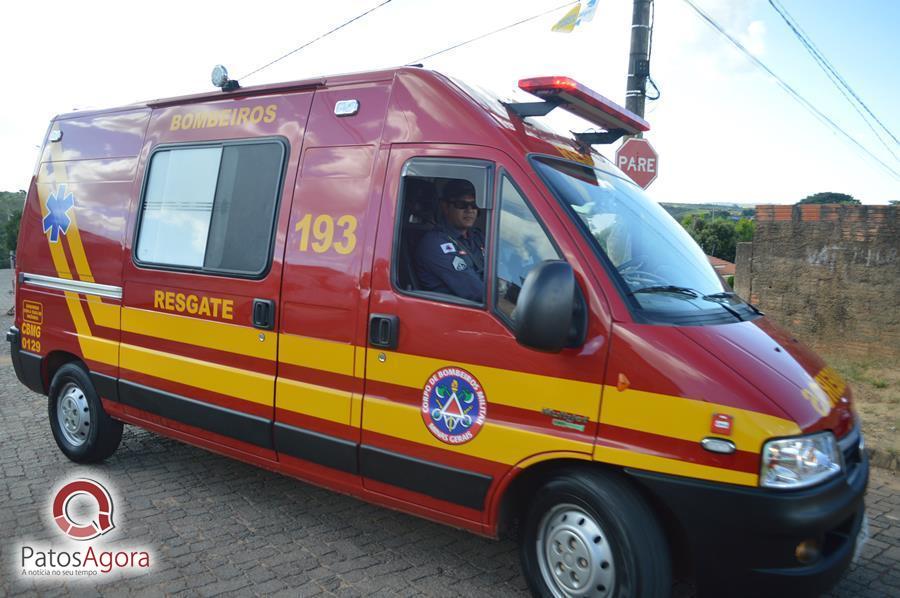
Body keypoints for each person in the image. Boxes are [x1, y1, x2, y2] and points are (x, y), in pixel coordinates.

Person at [414, 179, 485, 302]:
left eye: (474, 205)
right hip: (455, 315)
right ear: (445, 207)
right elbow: (477, 292)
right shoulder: (434, 243)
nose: (470, 210)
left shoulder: (477, 237)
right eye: (461, 204)